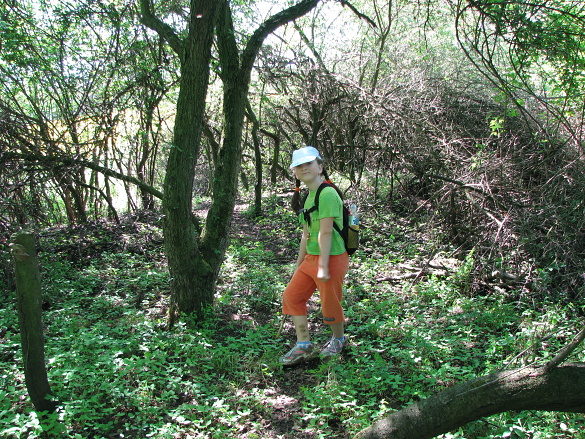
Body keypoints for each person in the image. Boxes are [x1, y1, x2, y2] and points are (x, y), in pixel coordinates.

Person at [279, 146, 350, 366]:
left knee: (330, 304)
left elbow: (327, 232)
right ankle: (304, 345)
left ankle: (339, 339)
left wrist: (324, 266)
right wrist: (300, 263)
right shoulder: (308, 197)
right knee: (292, 297)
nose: (304, 168)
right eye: (299, 166)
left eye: (309, 163)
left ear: (320, 167)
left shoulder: (327, 193)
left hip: (332, 258)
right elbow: (306, 234)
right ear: (295, 173)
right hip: (313, 258)